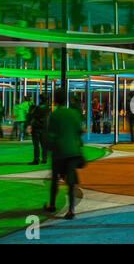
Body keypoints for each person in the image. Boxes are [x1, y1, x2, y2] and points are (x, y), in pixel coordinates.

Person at [44, 89, 84, 220]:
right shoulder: (73, 114)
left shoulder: (55, 115)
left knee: (55, 178)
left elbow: (52, 135)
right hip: (73, 152)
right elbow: (79, 132)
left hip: (59, 152)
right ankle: (71, 209)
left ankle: (52, 204)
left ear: (55, 100)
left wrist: (49, 148)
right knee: (71, 182)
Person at [28, 95, 50, 165]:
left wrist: (31, 108)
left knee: (36, 145)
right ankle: (44, 159)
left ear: (40, 99)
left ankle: (36, 159)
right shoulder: (47, 108)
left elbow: (32, 115)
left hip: (36, 127)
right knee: (44, 145)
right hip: (44, 128)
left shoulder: (37, 108)